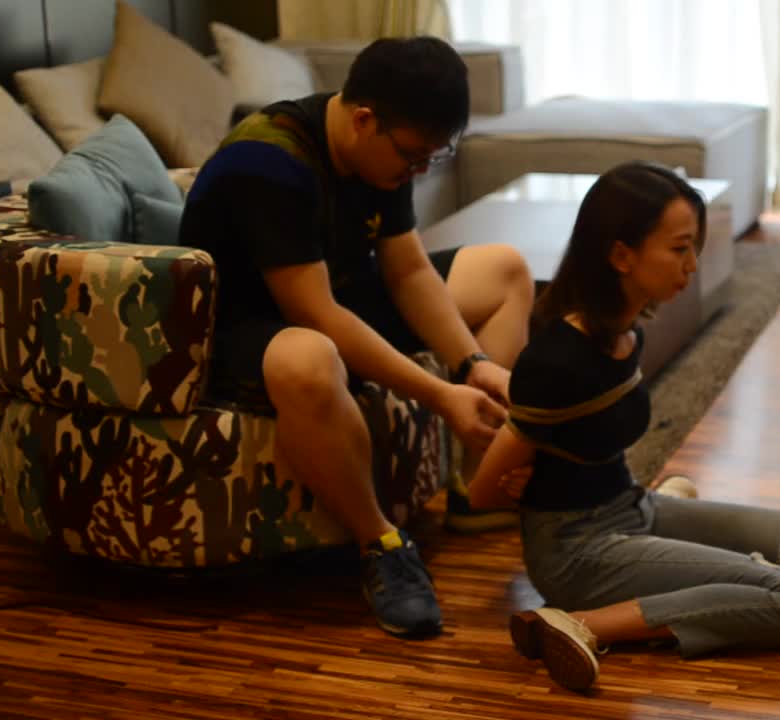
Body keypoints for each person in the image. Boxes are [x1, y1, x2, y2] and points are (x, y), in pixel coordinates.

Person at [179, 37, 534, 638]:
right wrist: (440, 394)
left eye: (432, 158)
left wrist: (470, 363)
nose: (418, 171)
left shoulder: (381, 146)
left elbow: (408, 270)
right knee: (310, 357)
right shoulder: (269, 164)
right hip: (242, 326)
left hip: (337, 294)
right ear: (365, 120)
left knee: (504, 270)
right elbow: (317, 315)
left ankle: (479, 491)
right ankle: (381, 545)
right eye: (413, 157)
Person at [467, 162, 780, 691]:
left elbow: (587, 435)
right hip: (578, 554)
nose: (692, 265)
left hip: (635, 508)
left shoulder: (628, 332)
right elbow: (480, 492)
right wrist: (528, 484)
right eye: (680, 249)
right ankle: (575, 623)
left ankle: (675, 539)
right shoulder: (558, 361)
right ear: (621, 255)